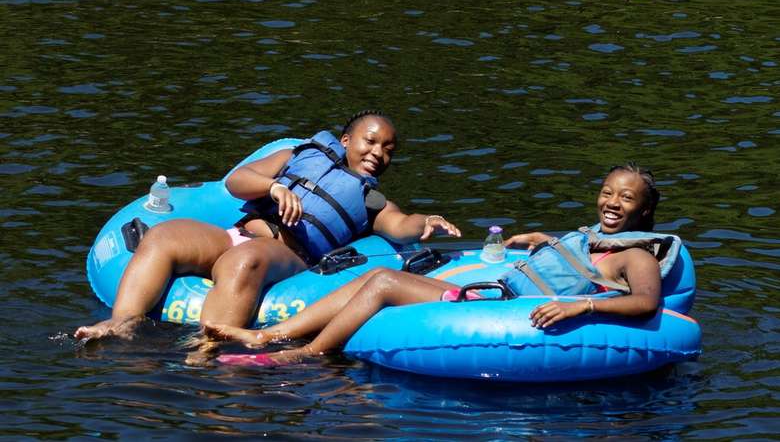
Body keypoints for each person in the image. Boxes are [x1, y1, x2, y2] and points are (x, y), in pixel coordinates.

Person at [208, 162, 666, 367]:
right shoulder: (590, 239)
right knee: (376, 276)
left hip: (508, 313)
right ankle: (266, 334)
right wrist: (544, 240)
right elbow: (578, 258)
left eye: (626, 198)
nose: (612, 202)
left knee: (386, 280)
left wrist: (581, 308)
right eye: (608, 192)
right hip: (495, 296)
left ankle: (306, 354)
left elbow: (646, 303)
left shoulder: (636, 254)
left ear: (644, 212)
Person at [74, 110, 461, 341]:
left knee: (246, 259)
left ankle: (207, 349)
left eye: (388, 150)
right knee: (163, 236)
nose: (378, 153)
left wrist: (427, 221)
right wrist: (274, 187)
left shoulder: (368, 199)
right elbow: (237, 181)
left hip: (286, 256)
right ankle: (120, 324)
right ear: (346, 140)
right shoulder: (297, 156)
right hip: (238, 233)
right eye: (371, 142)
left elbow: (400, 225)